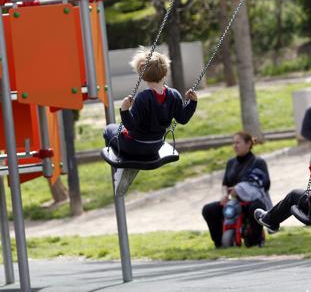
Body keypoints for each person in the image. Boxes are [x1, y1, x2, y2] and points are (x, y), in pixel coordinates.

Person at [103, 49, 198, 195]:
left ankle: (121, 169)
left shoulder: (143, 98)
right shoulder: (174, 95)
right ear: (165, 72)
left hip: (133, 146)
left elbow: (132, 127)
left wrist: (124, 110)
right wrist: (192, 102)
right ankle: (129, 169)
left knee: (109, 129)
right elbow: (183, 119)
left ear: (143, 76)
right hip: (155, 147)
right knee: (123, 133)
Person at [201, 132, 272, 248]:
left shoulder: (259, 162)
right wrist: (224, 195)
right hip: (233, 201)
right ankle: (219, 243)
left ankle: (255, 240)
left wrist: (241, 189)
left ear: (248, 144)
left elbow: (265, 185)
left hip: (251, 200)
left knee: (256, 208)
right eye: (233, 143)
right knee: (209, 209)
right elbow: (225, 184)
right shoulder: (231, 163)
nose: (235, 146)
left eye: (238, 143)